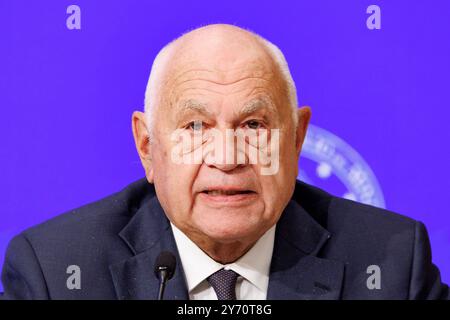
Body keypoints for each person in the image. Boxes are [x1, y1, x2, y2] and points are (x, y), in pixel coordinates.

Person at [1, 24, 448, 300]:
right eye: (195, 127)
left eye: (253, 125)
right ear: (146, 146)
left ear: (296, 138)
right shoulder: (56, 275)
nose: (227, 157)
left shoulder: (390, 264)